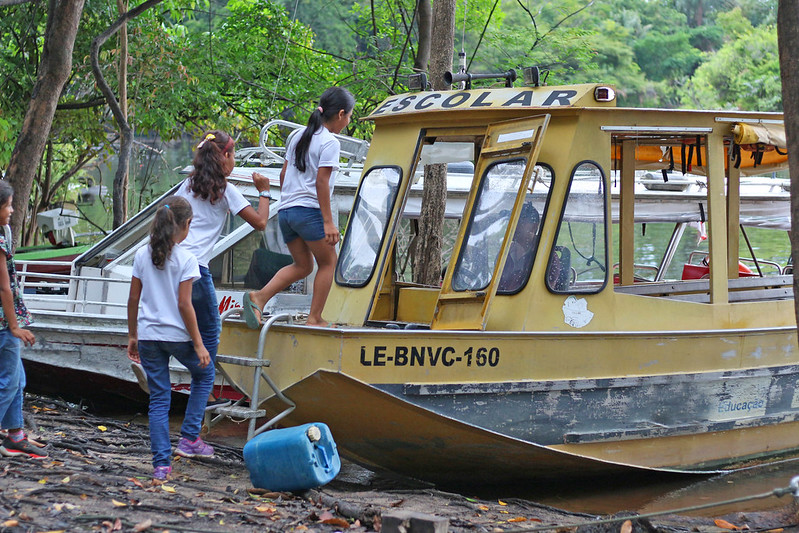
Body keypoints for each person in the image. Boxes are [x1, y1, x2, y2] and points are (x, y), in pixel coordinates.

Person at [244, 87, 355, 328]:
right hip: (308, 211)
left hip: (287, 212)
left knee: (303, 266)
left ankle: (259, 297)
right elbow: (321, 181)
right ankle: (315, 318)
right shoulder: (329, 143)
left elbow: (284, 174)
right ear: (341, 114)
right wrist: (328, 222)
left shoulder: (297, 136)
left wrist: (288, 203)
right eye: (349, 117)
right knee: (328, 263)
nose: (348, 122)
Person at [172, 130, 271, 397]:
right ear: (225, 156)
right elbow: (260, 223)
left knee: (182, 329)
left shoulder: (188, 186)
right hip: (196, 270)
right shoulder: (227, 191)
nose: (235, 159)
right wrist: (264, 192)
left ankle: (181, 372)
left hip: (173, 265)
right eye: (234, 154)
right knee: (212, 335)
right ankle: (201, 381)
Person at [127, 196, 214, 482]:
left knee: (159, 401)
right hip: (177, 336)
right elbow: (184, 305)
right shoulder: (187, 259)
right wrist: (199, 344)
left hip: (149, 337)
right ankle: (189, 437)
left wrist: (132, 335)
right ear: (186, 224)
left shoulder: (142, 255)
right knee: (205, 373)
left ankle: (161, 466)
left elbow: (133, 299)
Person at [0, 181, 46, 459]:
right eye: (7, 205)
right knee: (9, 381)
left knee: (18, 379)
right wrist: (15, 326)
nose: (12, 210)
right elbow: (4, 287)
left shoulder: (3, 233)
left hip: (6, 321)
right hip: (4, 323)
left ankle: (15, 434)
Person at [497, 202, 540, 292]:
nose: (512, 227)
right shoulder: (505, 253)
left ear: (534, 227)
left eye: (518, 222)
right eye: (511, 222)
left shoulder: (546, 259)